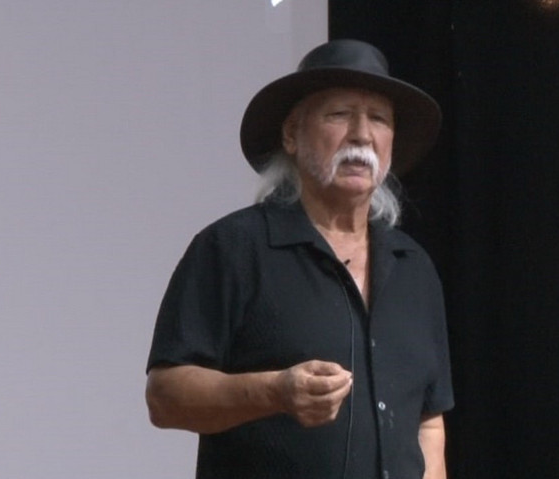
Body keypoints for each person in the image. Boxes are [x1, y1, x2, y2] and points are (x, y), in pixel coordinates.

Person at [145, 39, 453, 479]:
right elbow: (165, 397)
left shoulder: (414, 267)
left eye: (379, 119)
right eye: (339, 114)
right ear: (292, 134)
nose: (362, 134)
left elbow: (428, 422)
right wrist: (276, 391)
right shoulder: (234, 248)